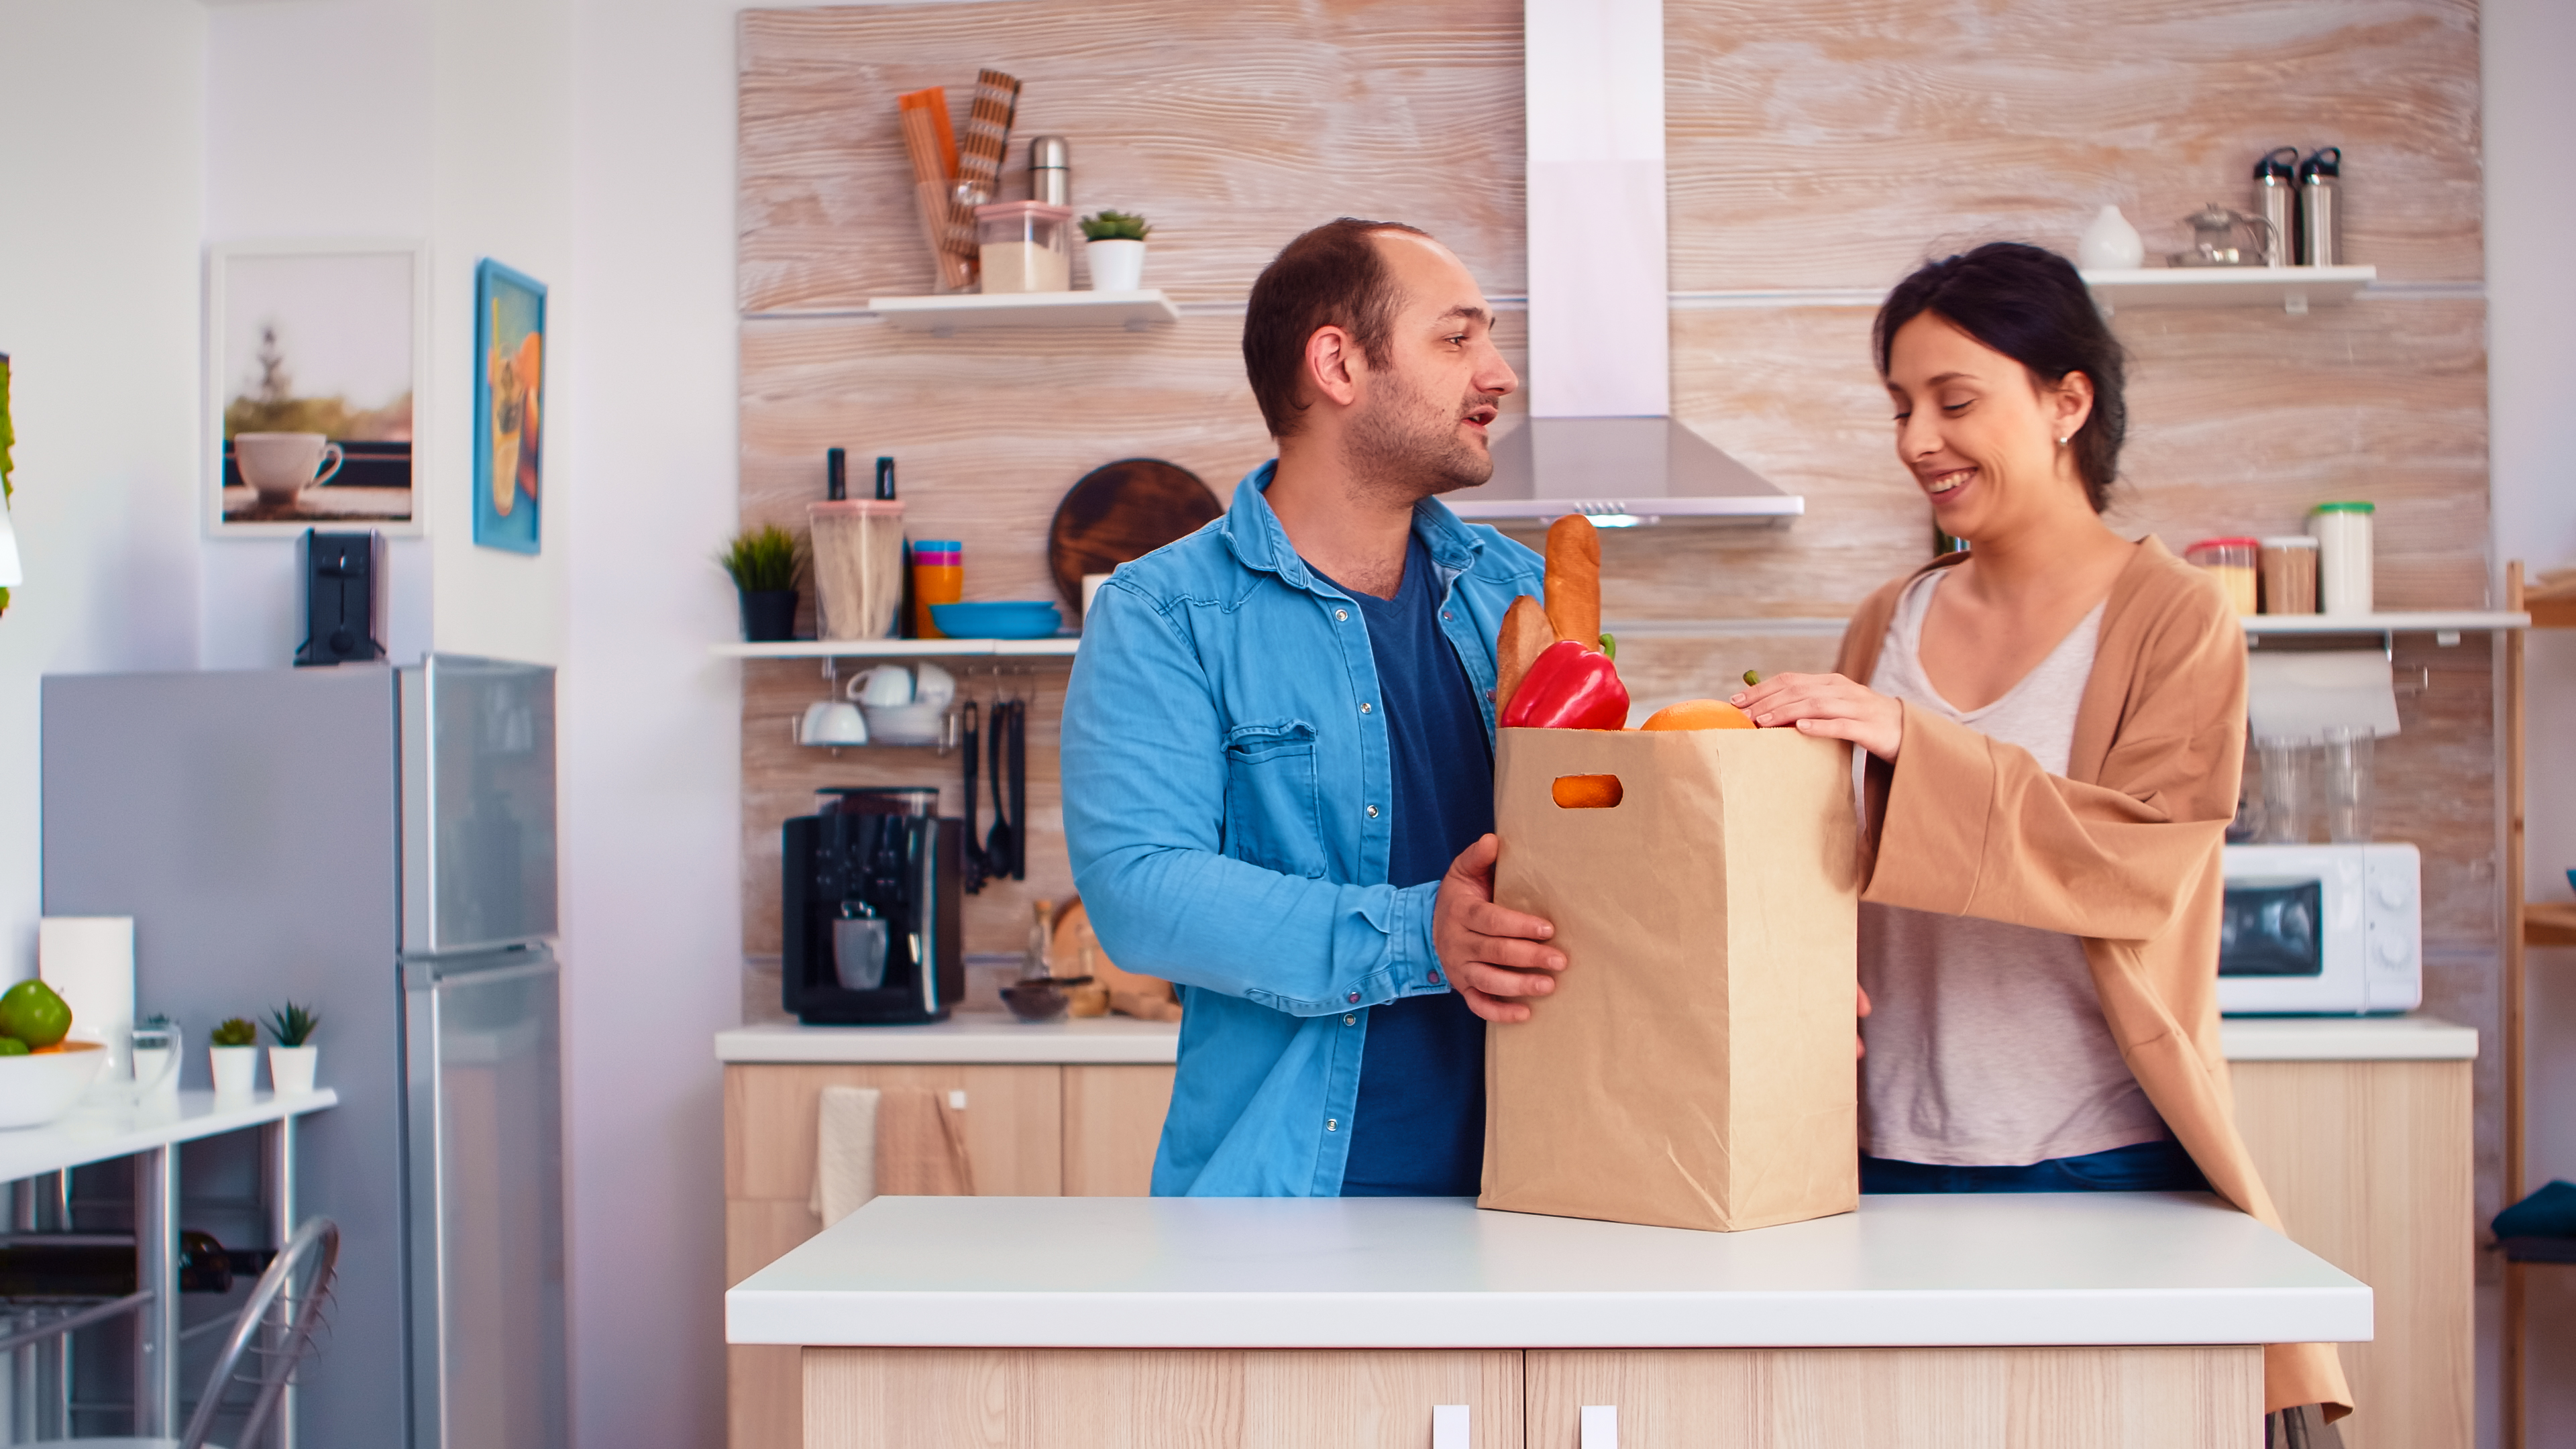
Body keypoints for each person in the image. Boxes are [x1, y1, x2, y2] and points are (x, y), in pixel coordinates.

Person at [1733, 241, 2351, 1426]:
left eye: (1956, 401)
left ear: (2068, 401)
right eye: (1902, 407)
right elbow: (1834, 875)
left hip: (2102, 1154)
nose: (1919, 439)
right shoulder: (1887, 619)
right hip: (1883, 1153)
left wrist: (1914, 742)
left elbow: (2139, 864)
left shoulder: (2173, 618)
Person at [1060, 218, 1568, 1199]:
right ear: (1338, 362)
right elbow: (1137, 890)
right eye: (1457, 338)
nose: (1498, 374)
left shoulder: (1523, 597)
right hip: (1288, 1208)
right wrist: (1424, 934)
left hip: (1541, 1187)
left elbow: (1599, 865)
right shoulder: (1166, 613)